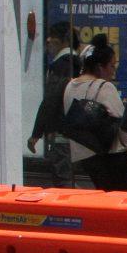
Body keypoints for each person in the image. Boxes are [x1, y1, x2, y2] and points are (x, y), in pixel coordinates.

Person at [63, 38, 127, 191]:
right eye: (112, 66)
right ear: (100, 67)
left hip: (84, 155)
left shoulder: (70, 86)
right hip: (111, 155)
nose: (114, 71)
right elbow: (123, 124)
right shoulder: (105, 87)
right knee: (118, 201)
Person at [29, 21, 80, 183]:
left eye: (53, 36)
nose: (48, 40)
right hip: (75, 132)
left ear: (64, 39)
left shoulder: (61, 64)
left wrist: (36, 132)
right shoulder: (76, 61)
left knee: (62, 179)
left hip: (61, 133)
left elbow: (51, 98)